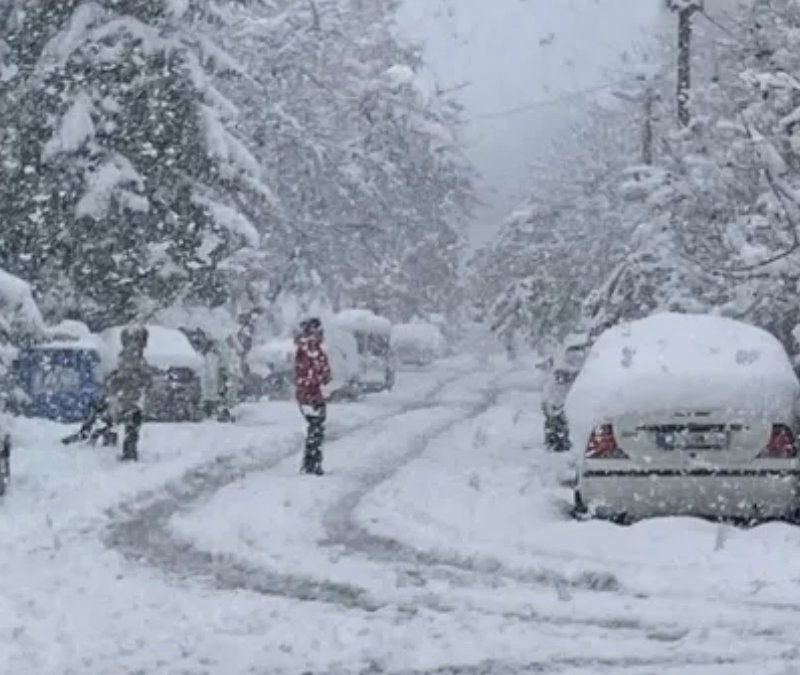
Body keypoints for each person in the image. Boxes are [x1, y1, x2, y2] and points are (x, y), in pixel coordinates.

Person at [107, 325, 151, 461]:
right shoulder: (132, 357)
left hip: (129, 398)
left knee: (130, 427)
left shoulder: (128, 356)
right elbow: (130, 376)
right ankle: (129, 453)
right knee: (132, 427)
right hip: (131, 399)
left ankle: (129, 452)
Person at [294, 317, 331, 475]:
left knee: (315, 428)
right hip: (312, 395)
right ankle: (313, 464)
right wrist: (320, 378)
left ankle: (311, 462)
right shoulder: (311, 348)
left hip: (307, 394)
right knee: (316, 428)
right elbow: (317, 371)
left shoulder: (304, 348)